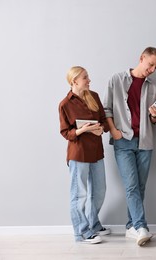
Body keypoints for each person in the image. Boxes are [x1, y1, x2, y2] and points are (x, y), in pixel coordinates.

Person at [103, 47, 156, 246]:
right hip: (123, 141)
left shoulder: (155, 86)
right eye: (150, 64)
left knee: (140, 186)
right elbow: (107, 108)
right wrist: (113, 130)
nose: (152, 69)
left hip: (145, 141)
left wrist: (155, 115)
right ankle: (141, 226)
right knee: (131, 186)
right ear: (141, 58)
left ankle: (131, 226)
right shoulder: (117, 79)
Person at [59, 66, 111, 244]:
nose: (89, 80)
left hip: (96, 151)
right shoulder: (65, 104)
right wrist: (81, 131)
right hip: (78, 154)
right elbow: (66, 132)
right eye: (85, 78)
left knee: (99, 191)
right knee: (79, 194)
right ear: (74, 81)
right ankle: (82, 232)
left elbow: (104, 121)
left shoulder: (93, 96)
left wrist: (100, 129)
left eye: (88, 77)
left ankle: (93, 224)